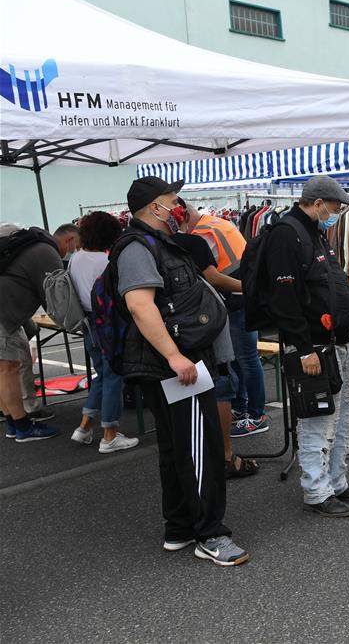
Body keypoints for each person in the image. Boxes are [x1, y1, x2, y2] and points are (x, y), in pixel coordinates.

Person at [112, 175, 249, 565]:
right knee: (199, 448)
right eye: (173, 200)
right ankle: (210, 534)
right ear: (155, 207)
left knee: (177, 448)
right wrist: (174, 357)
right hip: (177, 364)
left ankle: (180, 527)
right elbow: (141, 305)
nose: (180, 207)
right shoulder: (138, 248)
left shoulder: (153, 244)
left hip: (179, 361)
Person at [261, 176, 349, 517]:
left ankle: (336, 481)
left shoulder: (312, 231)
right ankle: (316, 491)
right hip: (314, 347)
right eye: (335, 208)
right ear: (318, 202)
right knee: (317, 420)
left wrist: (344, 298)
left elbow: (319, 281)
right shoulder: (287, 233)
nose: (336, 214)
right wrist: (304, 349)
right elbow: (285, 299)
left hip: (334, 342)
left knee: (342, 416)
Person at [171, 201, 259, 479]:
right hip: (216, 313)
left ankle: (248, 415)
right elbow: (213, 278)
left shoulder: (147, 246)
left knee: (227, 369)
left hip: (184, 325)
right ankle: (225, 452)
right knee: (227, 372)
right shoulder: (205, 232)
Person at [67, 212, 139, 453]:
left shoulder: (76, 258)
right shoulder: (106, 262)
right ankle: (109, 434)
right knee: (113, 377)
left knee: (102, 374)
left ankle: (85, 426)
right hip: (107, 325)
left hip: (88, 324)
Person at [0, 223, 78, 442]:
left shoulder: (30, 245)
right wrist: (77, 323)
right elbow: (58, 298)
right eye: (76, 247)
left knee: (3, 369)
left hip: (6, 312)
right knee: (8, 369)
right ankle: (23, 428)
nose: (74, 252)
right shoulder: (46, 252)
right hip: (4, 313)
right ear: (70, 240)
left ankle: (13, 424)